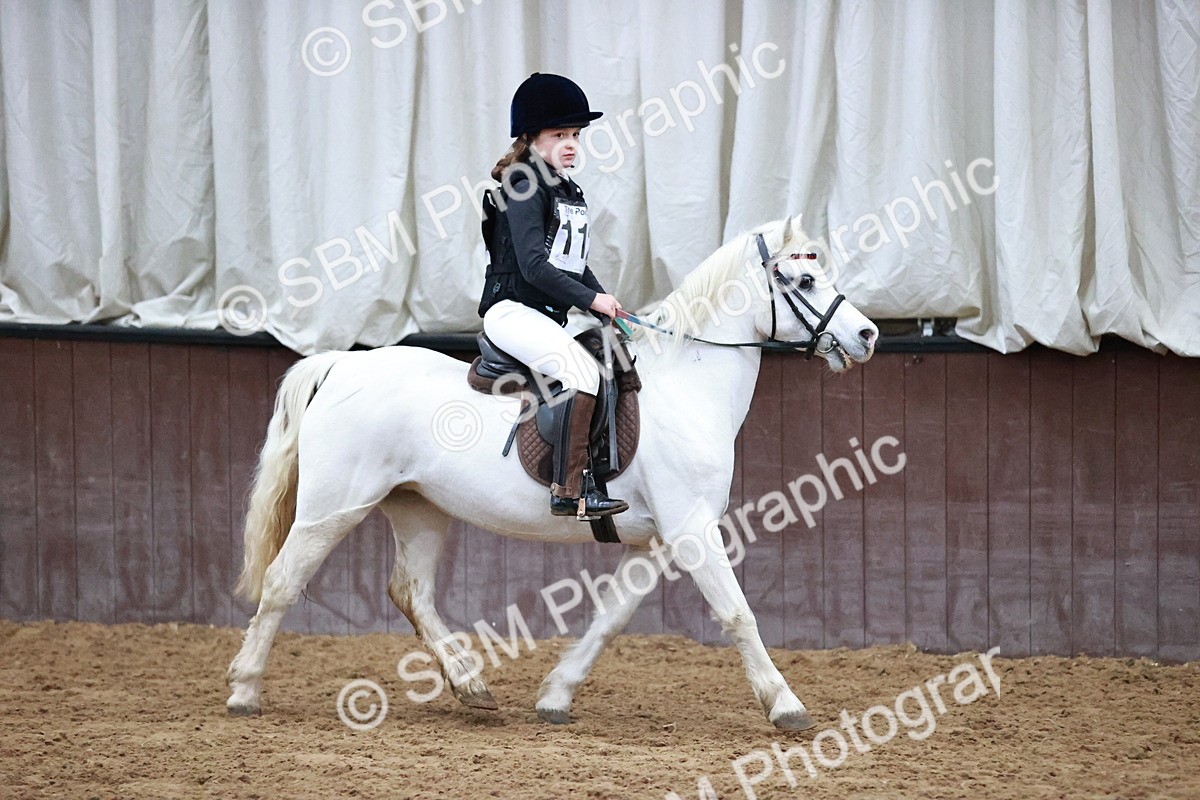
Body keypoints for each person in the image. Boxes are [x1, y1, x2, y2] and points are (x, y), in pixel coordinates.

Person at [478, 72, 628, 519]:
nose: (571, 144)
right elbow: (534, 266)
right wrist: (589, 301)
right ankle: (571, 489)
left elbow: (570, 261)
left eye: (576, 135)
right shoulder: (523, 183)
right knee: (582, 372)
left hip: (541, 316)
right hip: (510, 312)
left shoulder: (563, 187)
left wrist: (606, 301)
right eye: (559, 134)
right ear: (531, 137)